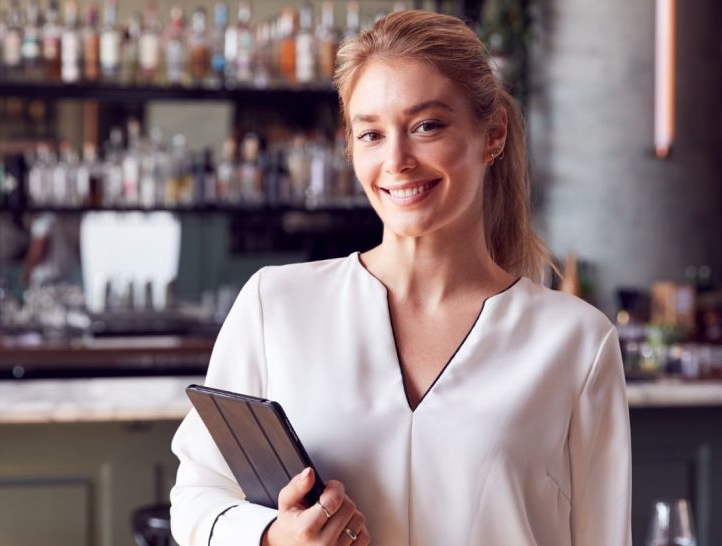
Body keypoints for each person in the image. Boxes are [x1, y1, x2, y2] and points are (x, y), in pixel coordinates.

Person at [169, 10, 630, 546]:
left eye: (426, 126)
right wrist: (273, 535)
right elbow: (197, 496)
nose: (397, 160)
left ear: (493, 134)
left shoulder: (577, 341)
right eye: (370, 134)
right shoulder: (276, 306)